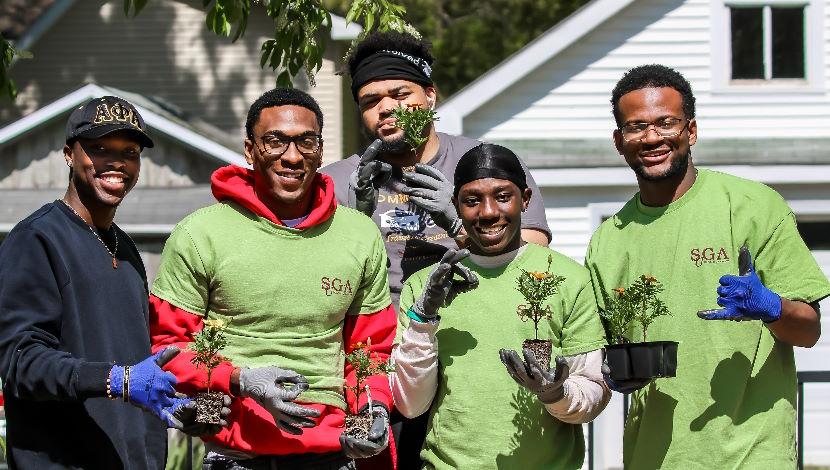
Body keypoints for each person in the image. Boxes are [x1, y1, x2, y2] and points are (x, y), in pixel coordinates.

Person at [321, 31, 552, 466]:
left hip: (474, 350)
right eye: (370, 101)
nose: (386, 107)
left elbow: (534, 260)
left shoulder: (485, 165)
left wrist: (461, 218)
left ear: (430, 96)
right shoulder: (338, 181)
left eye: (400, 93)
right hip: (381, 367)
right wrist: (350, 219)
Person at [585, 64, 830, 468]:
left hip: (752, 455)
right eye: (636, 127)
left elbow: (808, 330)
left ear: (691, 131)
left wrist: (772, 307)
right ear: (619, 140)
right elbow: (603, 356)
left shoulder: (753, 207)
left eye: (667, 123)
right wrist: (615, 373)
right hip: (654, 458)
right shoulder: (609, 240)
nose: (652, 138)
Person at [149, 88, 397, 469]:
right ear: (250, 151)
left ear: (320, 148)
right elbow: (168, 345)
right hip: (236, 454)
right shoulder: (200, 234)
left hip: (332, 452)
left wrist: (375, 407)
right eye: (275, 141)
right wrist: (240, 379)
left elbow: (372, 349)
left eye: (306, 142)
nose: (293, 156)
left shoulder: (359, 235)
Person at [0, 96, 201, 469]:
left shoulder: (125, 250)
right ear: (68, 154)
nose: (116, 162)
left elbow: (139, 366)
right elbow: (20, 362)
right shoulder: (37, 239)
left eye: (130, 151)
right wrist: (115, 380)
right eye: (98, 148)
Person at [393, 144, 610, 469]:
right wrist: (423, 319)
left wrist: (555, 393)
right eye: (472, 200)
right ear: (456, 205)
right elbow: (411, 405)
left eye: (502, 196)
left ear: (525, 199)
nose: (488, 212)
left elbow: (593, 391)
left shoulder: (569, 278)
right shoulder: (428, 286)